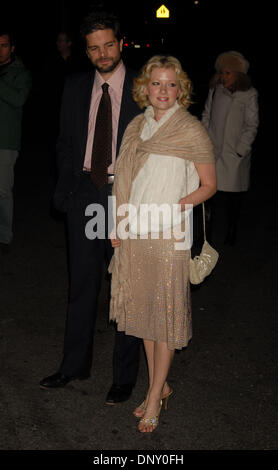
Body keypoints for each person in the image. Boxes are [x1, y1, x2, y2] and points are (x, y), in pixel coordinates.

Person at [109, 55, 216, 432]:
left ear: (181, 88)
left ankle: (154, 395)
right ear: (145, 87)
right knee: (147, 318)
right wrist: (117, 223)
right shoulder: (137, 127)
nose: (164, 91)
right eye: (157, 83)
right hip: (136, 231)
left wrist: (179, 204)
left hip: (170, 235)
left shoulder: (191, 130)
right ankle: (161, 384)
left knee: (165, 319)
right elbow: (124, 180)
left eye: (171, 84)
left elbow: (209, 185)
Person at [39, 11, 142, 405]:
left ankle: (125, 375)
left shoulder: (142, 87)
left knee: (126, 288)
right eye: (94, 47)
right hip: (84, 192)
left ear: (121, 43)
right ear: (86, 50)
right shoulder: (75, 85)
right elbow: (64, 140)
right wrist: (66, 188)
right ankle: (73, 365)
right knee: (81, 285)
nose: (103, 53)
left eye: (109, 44)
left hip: (126, 198)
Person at [201, 51, 259, 245]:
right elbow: (207, 115)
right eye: (222, 72)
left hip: (235, 155)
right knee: (208, 194)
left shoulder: (248, 94)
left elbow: (251, 124)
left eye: (228, 73)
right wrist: (204, 139)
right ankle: (206, 232)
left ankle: (231, 229)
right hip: (214, 151)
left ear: (238, 74)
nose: (224, 77)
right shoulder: (216, 90)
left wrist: (241, 148)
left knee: (234, 197)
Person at [0, 30, 32, 256]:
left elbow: (18, 99)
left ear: (11, 48)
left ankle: (4, 236)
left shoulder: (19, 73)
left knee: (2, 191)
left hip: (6, 141)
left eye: (3, 45)